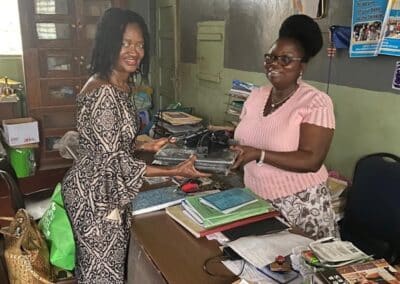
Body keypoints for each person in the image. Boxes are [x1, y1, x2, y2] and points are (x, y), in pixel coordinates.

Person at [62, 8, 209, 284]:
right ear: (109, 43)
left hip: (106, 187)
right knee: (102, 274)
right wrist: (175, 169)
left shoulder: (120, 84)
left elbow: (112, 145)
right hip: (97, 197)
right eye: (125, 43)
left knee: (103, 270)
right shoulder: (105, 92)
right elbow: (112, 162)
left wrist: (148, 146)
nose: (134, 51)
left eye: (140, 44)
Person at [231, 14, 336, 239]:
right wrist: (226, 139)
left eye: (286, 59)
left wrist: (258, 155)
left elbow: (311, 160)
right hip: (257, 198)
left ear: (302, 67)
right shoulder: (256, 96)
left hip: (301, 204)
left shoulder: (316, 102)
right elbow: (251, 135)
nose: (274, 64)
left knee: (302, 270)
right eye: (271, 57)